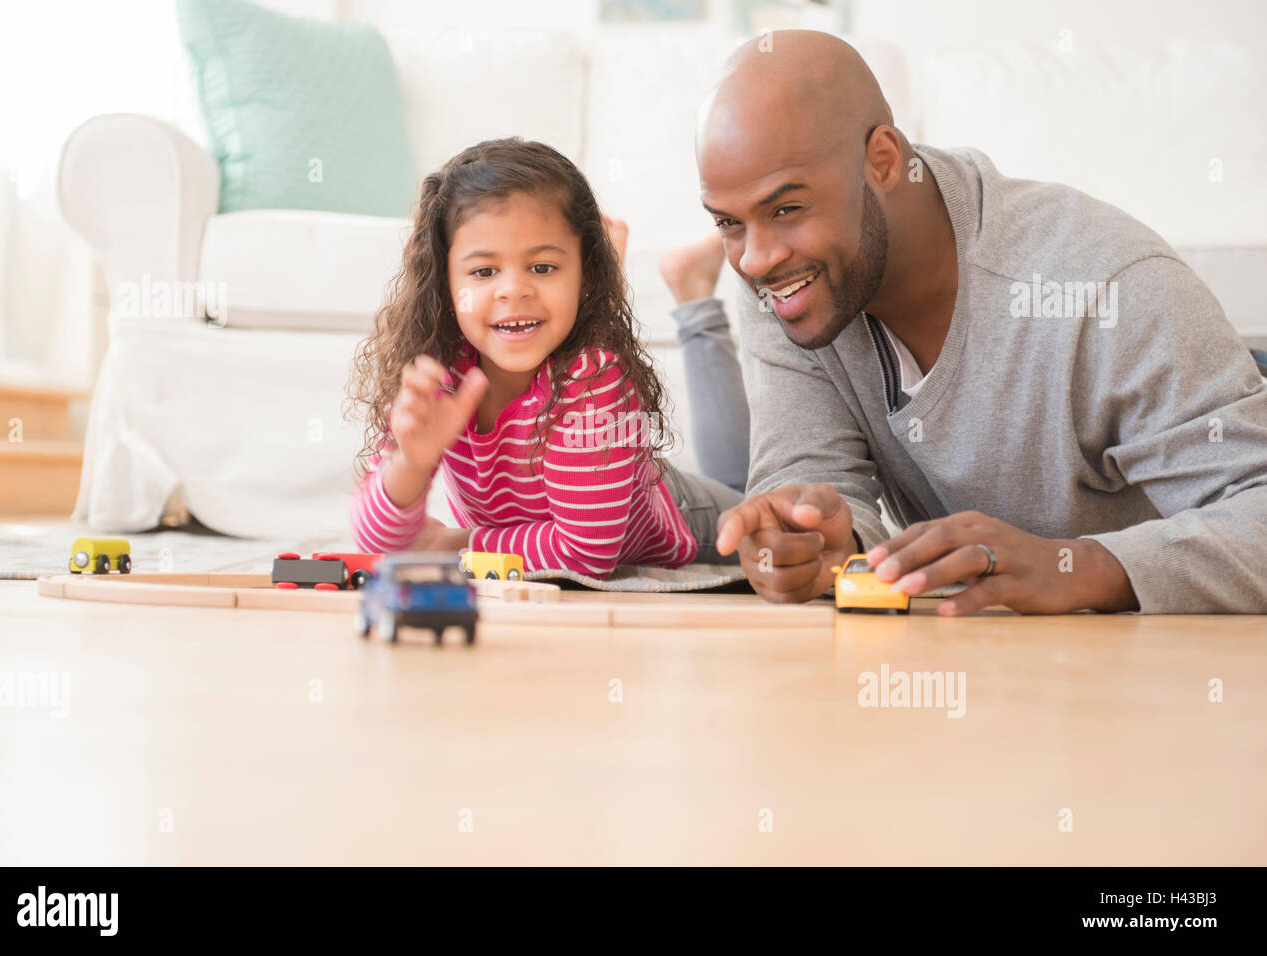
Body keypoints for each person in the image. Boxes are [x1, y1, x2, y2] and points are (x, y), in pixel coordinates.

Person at [689, 30, 1267, 614]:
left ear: (883, 162)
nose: (755, 259)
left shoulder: (1105, 286)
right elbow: (810, 479)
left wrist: (1078, 565)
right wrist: (818, 542)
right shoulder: (787, 280)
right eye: (728, 224)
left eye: (786, 208)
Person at [345, 138, 743, 577]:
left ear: (585, 271)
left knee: (748, 498)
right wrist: (410, 465)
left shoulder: (593, 375)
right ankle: (655, 291)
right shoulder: (437, 367)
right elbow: (379, 542)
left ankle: (694, 299)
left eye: (541, 267)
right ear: (443, 281)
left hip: (680, 514)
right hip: (594, 468)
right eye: (483, 272)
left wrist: (455, 544)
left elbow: (585, 554)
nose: (512, 289)